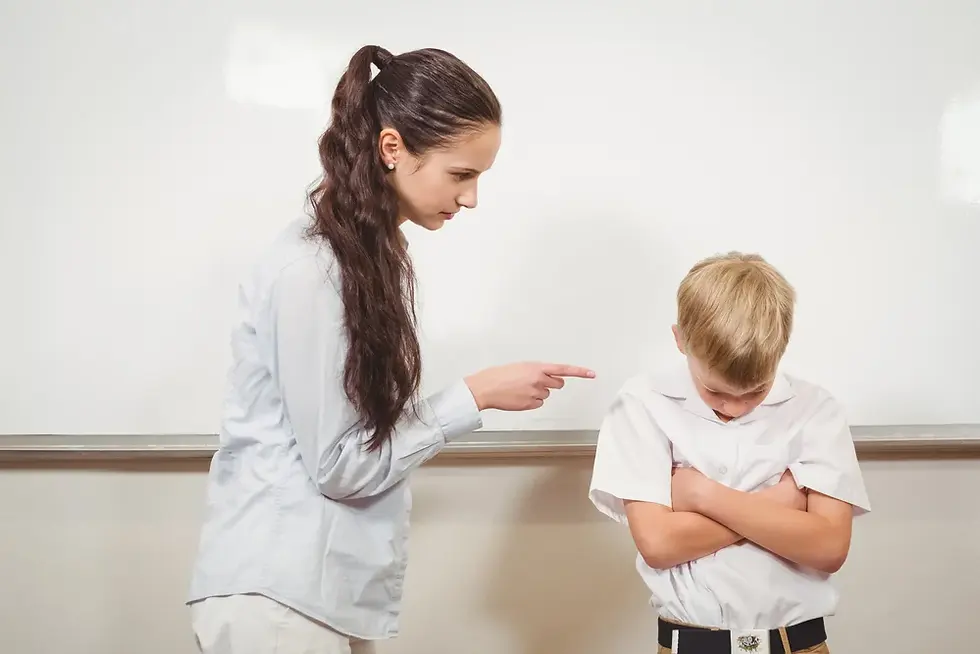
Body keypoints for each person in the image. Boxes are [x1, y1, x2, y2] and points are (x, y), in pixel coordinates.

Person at [186, 44, 594, 654]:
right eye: (462, 174)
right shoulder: (313, 270)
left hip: (316, 597)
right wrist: (474, 397)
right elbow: (340, 466)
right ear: (392, 148)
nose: (473, 198)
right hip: (279, 597)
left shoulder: (364, 261)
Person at [588, 252, 871, 654]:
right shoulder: (642, 404)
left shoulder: (815, 409)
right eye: (716, 392)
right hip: (690, 644)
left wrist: (703, 495)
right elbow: (659, 545)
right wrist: (780, 505)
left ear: (783, 348)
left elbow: (828, 548)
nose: (734, 408)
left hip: (799, 645)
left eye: (755, 391)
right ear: (681, 340)